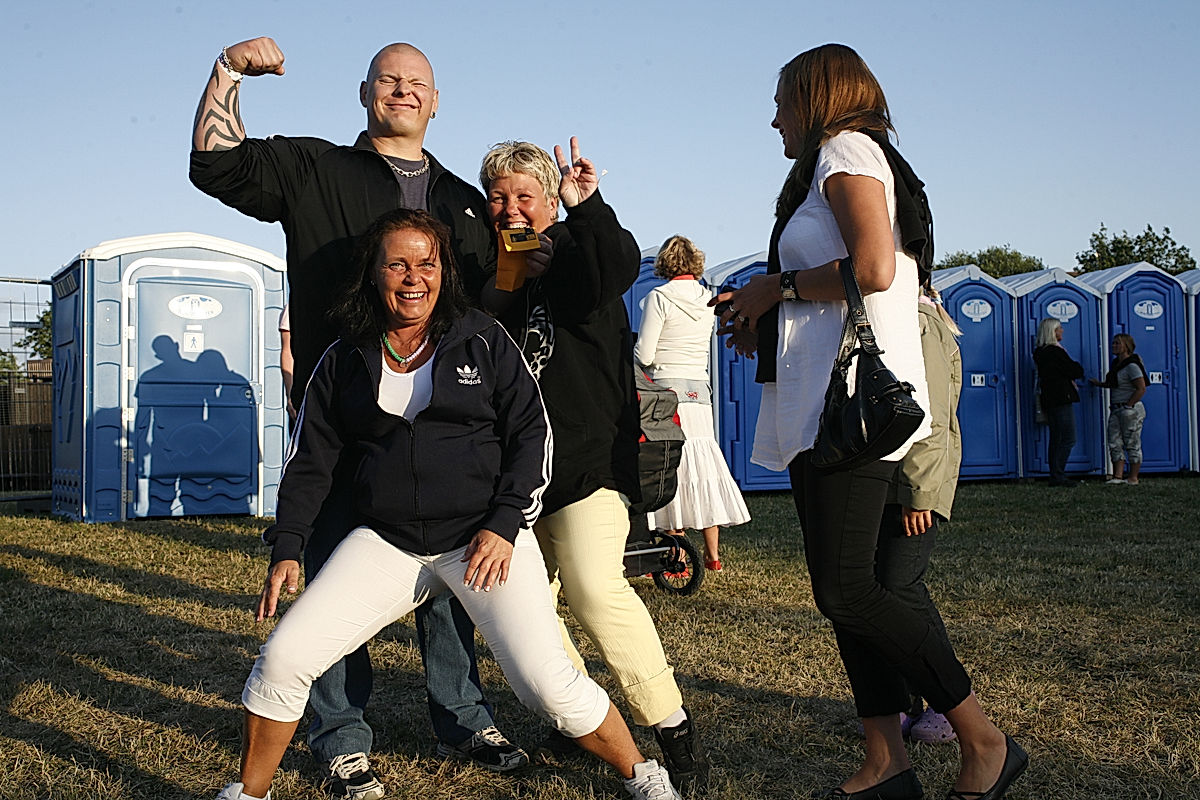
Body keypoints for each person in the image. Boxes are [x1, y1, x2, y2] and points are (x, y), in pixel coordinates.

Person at [214, 209, 682, 800]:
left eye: (426, 263)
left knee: (548, 687)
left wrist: (505, 524)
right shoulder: (343, 356)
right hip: (388, 543)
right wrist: (287, 546)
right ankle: (248, 793)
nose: (413, 278)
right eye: (398, 264)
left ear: (444, 272)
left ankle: (644, 776)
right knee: (284, 658)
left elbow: (531, 437)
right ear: (374, 272)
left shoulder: (483, 336)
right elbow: (310, 459)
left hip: (481, 543)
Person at [190, 38, 522, 799]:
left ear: (437, 103)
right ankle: (340, 735)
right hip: (345, 425)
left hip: (442, 430)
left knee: (446, 584)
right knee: (335, 575)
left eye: (418, 84)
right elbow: (215, 163)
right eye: (389, 80)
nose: (403, 92)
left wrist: (523, 255)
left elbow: (487, 302)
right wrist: (230, 73)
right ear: (365, 91)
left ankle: (464, 714)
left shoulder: (463, 202)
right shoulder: (314, 169)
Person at [713, 44, 1027, 800]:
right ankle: (885, 761)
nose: (774, 117)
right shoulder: (832, 160)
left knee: (850, 590)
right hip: (820, 403)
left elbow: (877, 266)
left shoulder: (846, 150)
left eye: (784, 99)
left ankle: (984, 742)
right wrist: (770, 309)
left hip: (846, 404)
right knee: (839, 589)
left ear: (818, 98)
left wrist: (776, 285)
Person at [479, 140, 710, 793]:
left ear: (549, 201)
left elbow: (610, 267)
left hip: (586, 462)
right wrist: (504, 273)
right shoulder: (494, 272)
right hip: (517, 473)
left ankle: (672, 728)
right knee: (527, 607)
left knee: (592, 588)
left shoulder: (577, 255)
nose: (511, 208)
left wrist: (589, 208)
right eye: (499, 196)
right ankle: (577, 713)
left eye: (526, 195)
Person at [876, 284, 963, 747]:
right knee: (886, 590)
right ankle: (907, 701)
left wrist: (919, 492)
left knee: (901, 586)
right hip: (890, 481)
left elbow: (928, 415)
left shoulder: (921, 322)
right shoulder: (910, 318)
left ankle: (949, 704)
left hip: (912, 485)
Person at [633, 235, 750, 571]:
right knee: (704, 462)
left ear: (665, 264)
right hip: (700, 392)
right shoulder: (707, 298)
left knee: (671, 463)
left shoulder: (659, 297)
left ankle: (678, 552)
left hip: (668, 390)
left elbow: (646, 353)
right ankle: (713, 556)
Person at [1089, 333, 1148, 485]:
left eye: (1117, 344)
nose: (1113, 346)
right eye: (1113, 343)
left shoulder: (1132, 365)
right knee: (1114, 442)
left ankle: (1133, 477)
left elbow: (1141, 388)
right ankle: (1118, 476)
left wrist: (1129, 405)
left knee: (1132, 442)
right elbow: (1115, 384)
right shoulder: (1117, 365)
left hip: (1129, 409)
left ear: (1126, 346)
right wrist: (1099, 384)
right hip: (1116, 408)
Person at [1033, 318, 1084, 488]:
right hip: (1062, 398)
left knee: (1056, 438)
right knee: (1068, 437)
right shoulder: (1056, 352)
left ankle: (1055, 473)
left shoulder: (1040, 352)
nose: (1062, 331)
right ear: (1052, 332)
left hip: (1049, 398)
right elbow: (1075, 370)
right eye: (1059, 328)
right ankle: (1058, 474)